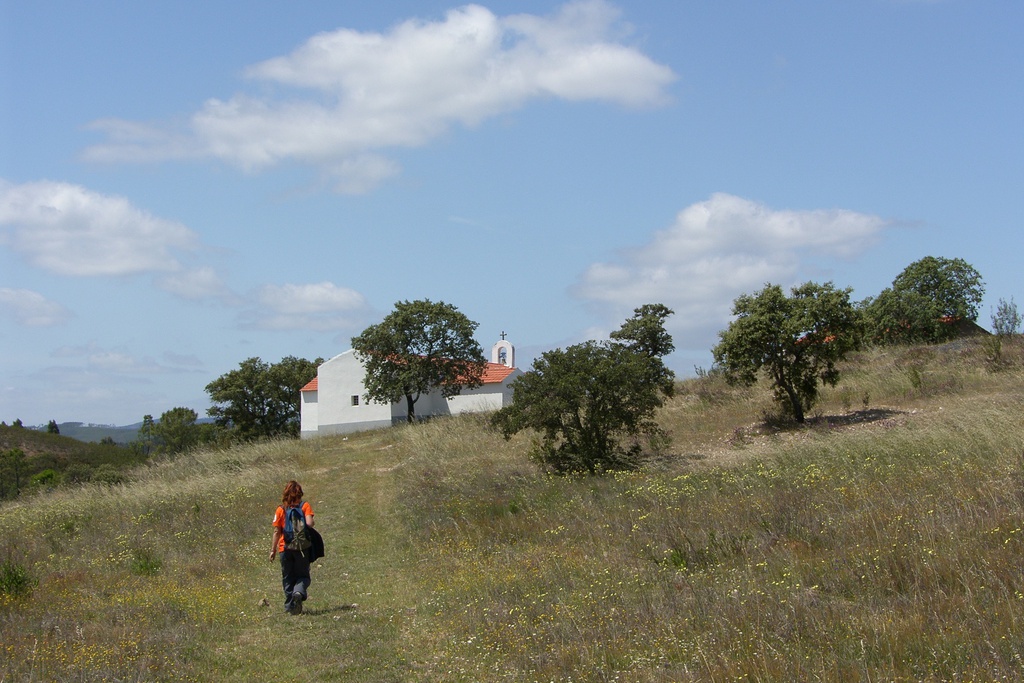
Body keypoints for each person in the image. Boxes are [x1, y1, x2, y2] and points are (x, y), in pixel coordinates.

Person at [270, 480, 315, 615]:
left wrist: (272, 550)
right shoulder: (304, 506)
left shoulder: (280, 510)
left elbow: (277, 531)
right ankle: (299, 592)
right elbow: (310, 523)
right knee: (303, 576)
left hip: (285, 548)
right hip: (301, 548)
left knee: (287, 578)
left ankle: (290, 607)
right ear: (300, 493)